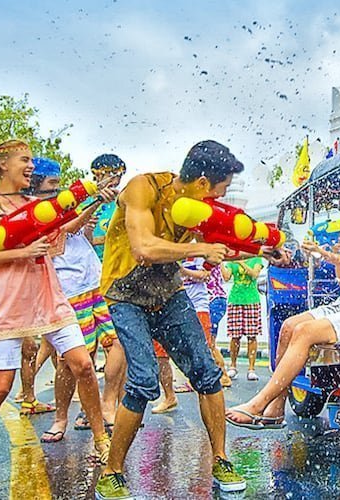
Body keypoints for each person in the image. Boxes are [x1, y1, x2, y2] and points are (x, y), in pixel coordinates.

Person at [94, 140, 251, 497]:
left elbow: (228, 239)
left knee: (207, 372)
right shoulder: (143, 188)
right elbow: (144, 248)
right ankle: (112, 471)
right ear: (201, 185)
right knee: (144, 380)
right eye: (219, 191)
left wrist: (268, 250)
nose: (218, 200)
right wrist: (199, 248)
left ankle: (221, 460)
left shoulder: (194, 207)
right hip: (125, 295)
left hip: (168, 293)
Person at [0, 140, 109, 477]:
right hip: (8, 304)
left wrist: (94, 199)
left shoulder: (35, 204)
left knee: (82, 364)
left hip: (48, 296)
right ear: (2, 164)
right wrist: (19, 253)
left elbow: (62, 229)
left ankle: (101, 441)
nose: (30, 167)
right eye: (24, 160)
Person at [224, 180, 340, 429]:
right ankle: (276, 408)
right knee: (288, 326)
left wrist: (327, 254)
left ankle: (258, 403)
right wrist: (336, 256)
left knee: (304, 332)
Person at [22, 157, 126, 442]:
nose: (58, 188)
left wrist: (90, 218)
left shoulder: (67, 201)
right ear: (36, 184)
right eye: (52, 183)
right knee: (74, 362)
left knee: (117, 342)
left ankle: (106, 406)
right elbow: (64, 231)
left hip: (94, 282)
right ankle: (61, 418)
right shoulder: (38, 210)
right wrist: (94, 203)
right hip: (68, 289)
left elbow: (81, 235)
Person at [182, 257, 231, 388]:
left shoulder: (204, 255)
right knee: (204, 343)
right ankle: (208, 377)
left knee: (208, 343)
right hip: (212, 300)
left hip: (213, 299)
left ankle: (223, 375)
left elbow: (208, 276)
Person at [223, 257, 266, 381]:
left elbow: (254, 275)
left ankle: (251, 369)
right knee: (234, 335)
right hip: (235, 299)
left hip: (251, 299)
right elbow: (226, 277)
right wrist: (220, 263)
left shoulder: (256, 259)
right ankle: (233, 366)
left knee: (252, 335)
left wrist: (241, 262)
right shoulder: (232, 260)